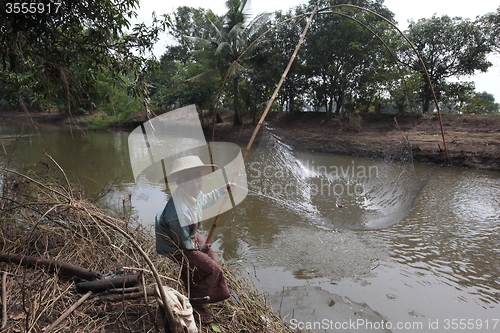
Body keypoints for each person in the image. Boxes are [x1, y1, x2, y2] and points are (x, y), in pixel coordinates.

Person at [155, 155, 232, 324]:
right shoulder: (178, 212)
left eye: (198, 179)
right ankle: (196, 303)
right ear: (179, 182)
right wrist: (198, 249)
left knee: (208, 254)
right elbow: (183, 243)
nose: (196, 184)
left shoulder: (191, 193)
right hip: (174, 243)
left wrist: (222, 190)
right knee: (212, 269)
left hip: (186, 234)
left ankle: (199, 288)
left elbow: (205, 201)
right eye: (190, 180)